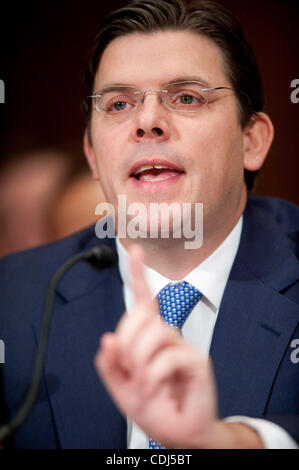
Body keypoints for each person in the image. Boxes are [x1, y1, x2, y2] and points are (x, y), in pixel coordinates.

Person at [0, 0, 298, 449]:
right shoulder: (11, 296)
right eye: (119, 103)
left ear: (251, 141)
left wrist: (228, 442)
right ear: (92, 155)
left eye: (186, 98)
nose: (147, 122)